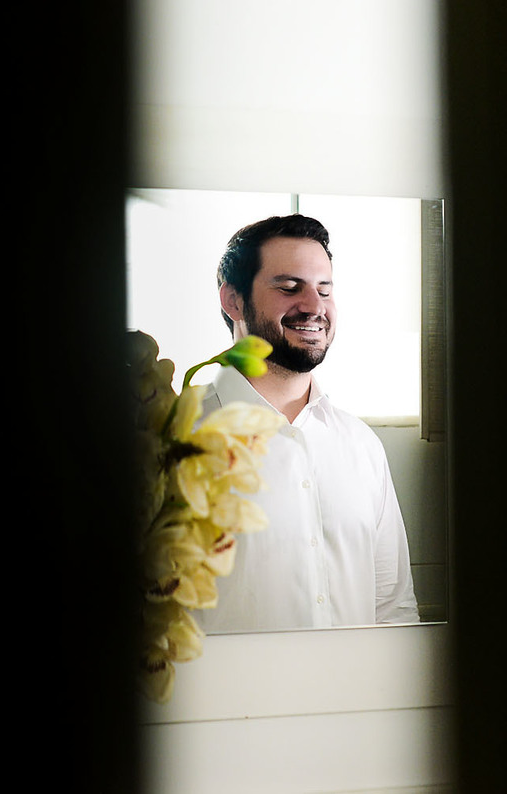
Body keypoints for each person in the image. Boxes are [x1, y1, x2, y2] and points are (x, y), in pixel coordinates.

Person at [194, 213, 420, 632]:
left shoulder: (361, 445)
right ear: (233, 300)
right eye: (289, 287)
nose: (314, 307)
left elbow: (393, 610)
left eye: (324, 290)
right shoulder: (176, 438)